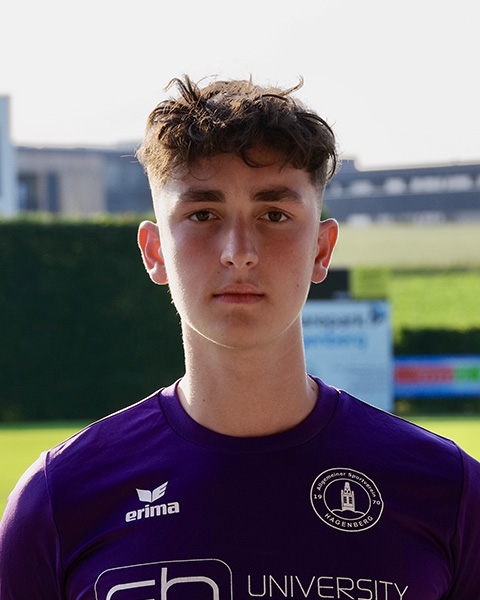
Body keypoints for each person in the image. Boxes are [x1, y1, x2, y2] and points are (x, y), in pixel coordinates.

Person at [1, 76, 479, 600]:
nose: (239, 252)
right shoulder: (60, 498)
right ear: (155, 252)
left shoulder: (450, 492)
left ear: (322, 250)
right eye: (203, 215)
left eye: (274, 215)